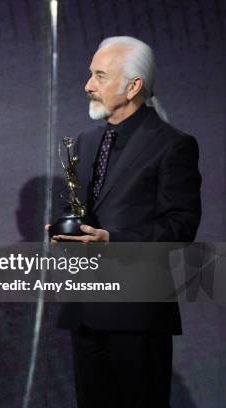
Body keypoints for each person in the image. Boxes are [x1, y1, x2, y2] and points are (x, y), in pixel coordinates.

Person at [50, 36, 202, 407]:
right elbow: (90, 210)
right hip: (86, 309)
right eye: (90, 75)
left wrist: (112, 239)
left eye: (100, 76)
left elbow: (181, 225)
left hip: (137, 312)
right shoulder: (85, 142)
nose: (88, 85)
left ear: (133, 86)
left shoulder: (172, 144)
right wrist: (69, 231)